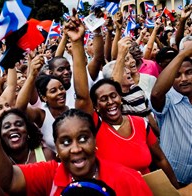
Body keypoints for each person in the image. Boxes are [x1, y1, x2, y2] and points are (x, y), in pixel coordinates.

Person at [68, 12, 179, 188]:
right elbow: (82, 96)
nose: (110, 102)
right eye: (103, 99)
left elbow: (160, 159)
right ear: (95, 106)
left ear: (121, 97)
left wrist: (176, 189)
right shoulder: (95, 127)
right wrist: (76, 43)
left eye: (113, 96)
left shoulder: (140, 124)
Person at [150, 37, 192, 186]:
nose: (184, 79)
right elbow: (155, 94)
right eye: (177, 75)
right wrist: (182, 53)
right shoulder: (167, 100)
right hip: (172, 182)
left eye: (189, 73)